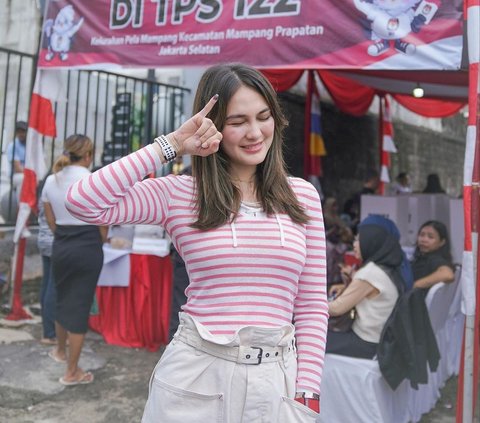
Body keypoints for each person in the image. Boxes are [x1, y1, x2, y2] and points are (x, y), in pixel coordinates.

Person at [66, 63, 328, 421]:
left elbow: (312, 304)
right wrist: (171, 145)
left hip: (277, 383)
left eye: (263, 117)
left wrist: (308, 391)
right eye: (238, 122)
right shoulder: (180, 194)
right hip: (196, 376)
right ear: (214, 125)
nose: (255, 132)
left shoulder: (303, 196)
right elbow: (83, 201)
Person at [42, 134, 106, 386]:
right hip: (87, 245)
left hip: (62, 244)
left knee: (63, 297)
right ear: (88, 155)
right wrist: (97, 242)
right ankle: (72, 372)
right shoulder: (93, 180)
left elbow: (51, 222)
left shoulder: (51, 180)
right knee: (79, 306)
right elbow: (103, 224)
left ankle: (59, 351)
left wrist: (66, 238)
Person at [326, 216, 404, 359]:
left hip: (366, 342)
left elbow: (337, 308)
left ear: (371, 244)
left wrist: (309, 306)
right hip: (381, 339)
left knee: (307, 340)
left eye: (358, 240)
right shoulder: (385, 268)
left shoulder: (369, 273)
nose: (354, 244)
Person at [411, 220, 455, 290]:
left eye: (430, 237)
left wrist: (415, 285)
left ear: (442, 242)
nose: (424, 240)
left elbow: (447, 274)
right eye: (422, 235)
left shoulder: (435, 259)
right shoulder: (421, 258)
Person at [37, 194, 57, 345]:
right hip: (55, 240)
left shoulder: (47, 184)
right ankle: (50, 333)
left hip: (43, 239)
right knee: (53, 287)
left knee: (46, 285)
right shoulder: (56, 185)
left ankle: (47, 329)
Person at [323, 197, 353, 287]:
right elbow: (322, 234)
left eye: (336, 206)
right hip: (327, 243)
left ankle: (337, 279)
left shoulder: (337, 218)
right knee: (330, 252)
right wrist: (332, 231)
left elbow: (344, 229)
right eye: (333, 206)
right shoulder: (324, 218)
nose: (335, 208)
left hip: (337, 243)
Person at [6, 120, 27, 201]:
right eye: (19, 131)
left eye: (23, 131)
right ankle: (20, 207)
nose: (21, 134)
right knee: (23, 179)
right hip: (16, 176)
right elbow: (17, 168)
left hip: (28, 174)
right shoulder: (13, 146)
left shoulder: (29, 145)